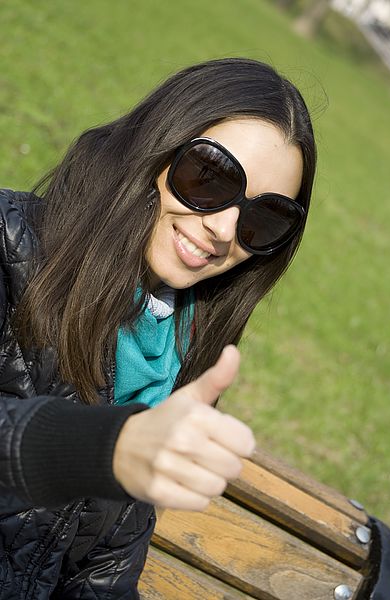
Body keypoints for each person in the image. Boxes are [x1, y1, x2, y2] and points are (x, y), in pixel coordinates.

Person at [0, 56, 316, 598]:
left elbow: (104, 572)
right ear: (153, 149)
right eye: (209, 177)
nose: (223, 228)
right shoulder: (10, 248)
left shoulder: (179, 350)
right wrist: (105, 448)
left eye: (263, 218)